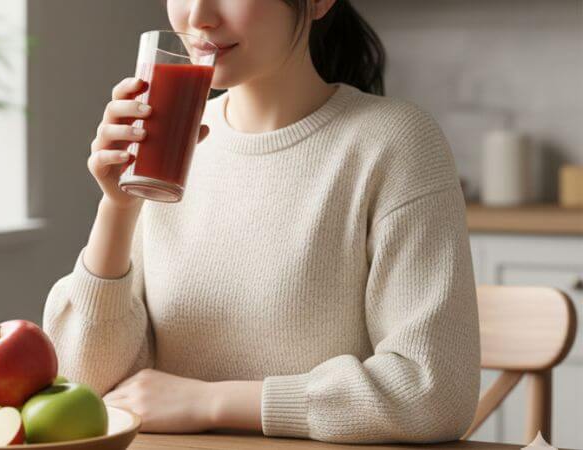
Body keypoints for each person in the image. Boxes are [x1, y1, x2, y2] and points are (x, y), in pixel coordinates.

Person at [43, 0, 480, 443]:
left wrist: (208, 402)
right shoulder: (171, 143)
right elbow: (80, 386)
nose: (198, 15)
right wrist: (117, 208)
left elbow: (434, 393)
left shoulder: (394, 144)